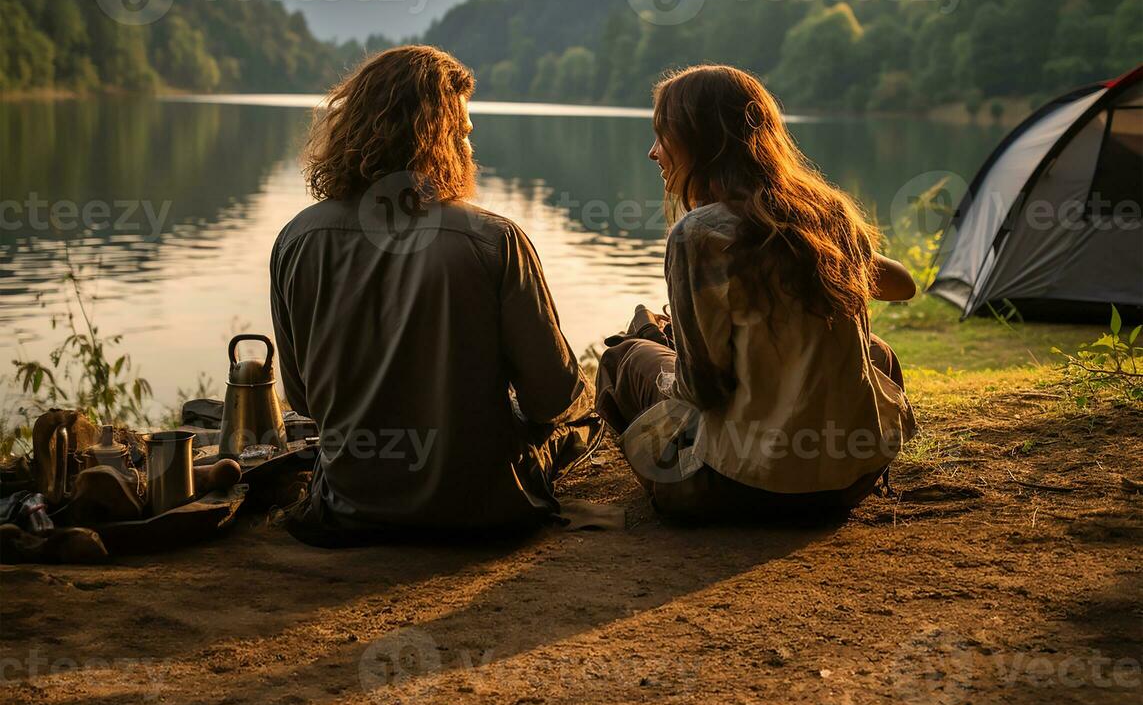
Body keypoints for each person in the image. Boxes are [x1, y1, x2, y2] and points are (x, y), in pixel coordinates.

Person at [270, 45, 600, 544]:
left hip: (349, 506)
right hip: (480, 510)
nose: (471, 147)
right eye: (463, 133)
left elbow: (302, 399)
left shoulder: (297, 238)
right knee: (585, 414)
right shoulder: (495, 240)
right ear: (436, 139)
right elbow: (553, 397)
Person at [595, 65, 917, 521]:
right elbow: (903, 284)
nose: (653, 153)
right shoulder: (829, 217)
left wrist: (659, 348)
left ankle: (670, 474)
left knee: (623, 359)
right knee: (875, 353)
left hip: (732, 490)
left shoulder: (697, 235)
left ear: (703, 141)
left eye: (662, 136)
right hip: (846, 486)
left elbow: (701, 388)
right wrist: (828, 246)